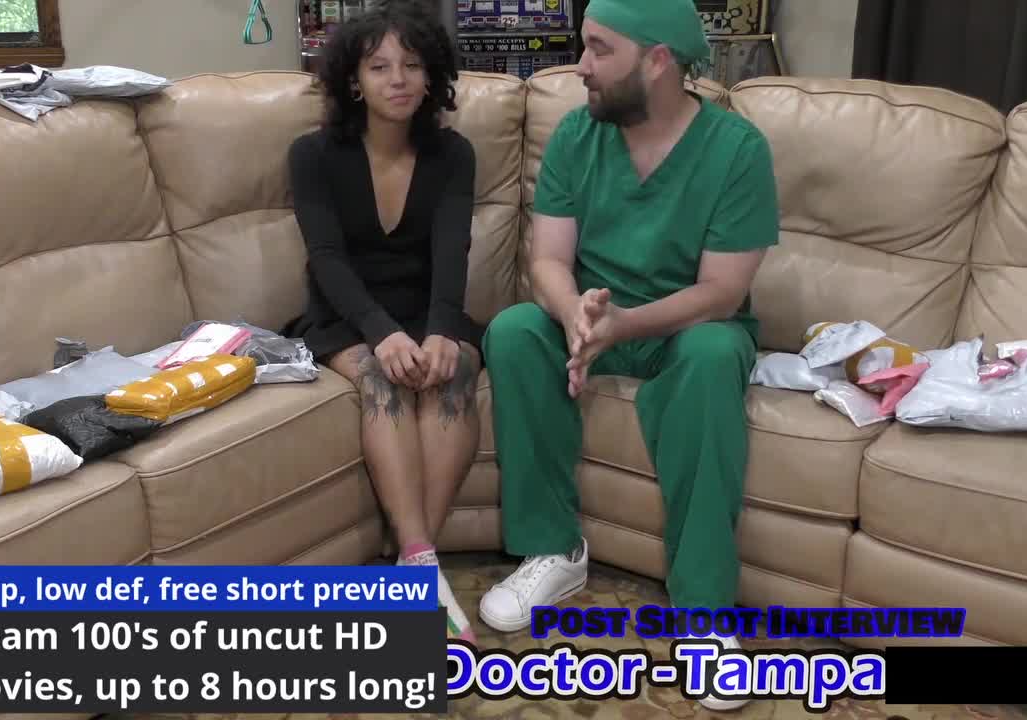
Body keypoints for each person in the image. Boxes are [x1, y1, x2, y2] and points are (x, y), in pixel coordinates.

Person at [477, 0, 779, 710]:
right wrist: (574, 316)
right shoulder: (577, 134)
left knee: (712, 355)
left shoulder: (738, 151)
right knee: (515, 331)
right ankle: (555, 550)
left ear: (659, 60)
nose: (580, 65)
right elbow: (548, 260)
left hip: (684, 328)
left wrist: (625, 325)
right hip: (593, 318)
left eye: (599, 49)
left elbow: (722, 292)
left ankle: (704, 613)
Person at [285, 0, 484, 645]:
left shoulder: (453, 153)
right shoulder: (312, 154)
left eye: (412, 65)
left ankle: (413, 570)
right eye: (379, 67)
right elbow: (326, 258)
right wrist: (381, 331)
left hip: (430, 309)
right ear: (354, 81)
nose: (398, 79)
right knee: (382, 378)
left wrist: (442, 330)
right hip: (348, 315)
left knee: (452, 378)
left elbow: (452, 249)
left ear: (431, 78)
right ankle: (423, 566)